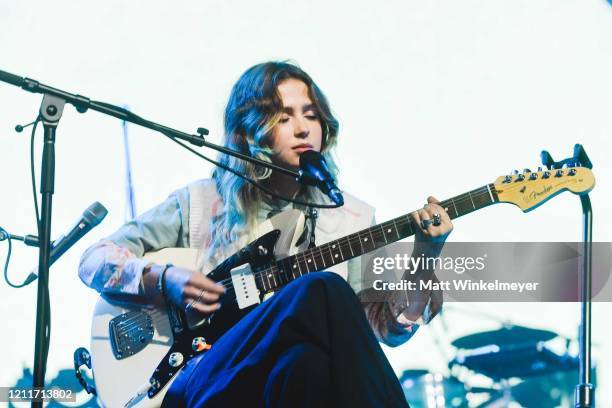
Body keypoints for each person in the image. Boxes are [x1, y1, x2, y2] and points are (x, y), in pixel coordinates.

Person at [79, 61, 453, 407]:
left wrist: (425, 255)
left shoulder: (351, 218)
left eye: (311, 115)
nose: (304, 128)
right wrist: (164, 279)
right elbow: (94, 259)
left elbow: (384, 329)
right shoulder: (201, 202)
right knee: (321, 288)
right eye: (284, 117)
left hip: (282, 385)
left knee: (306, 361)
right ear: (249, 130)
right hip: (198, 376)